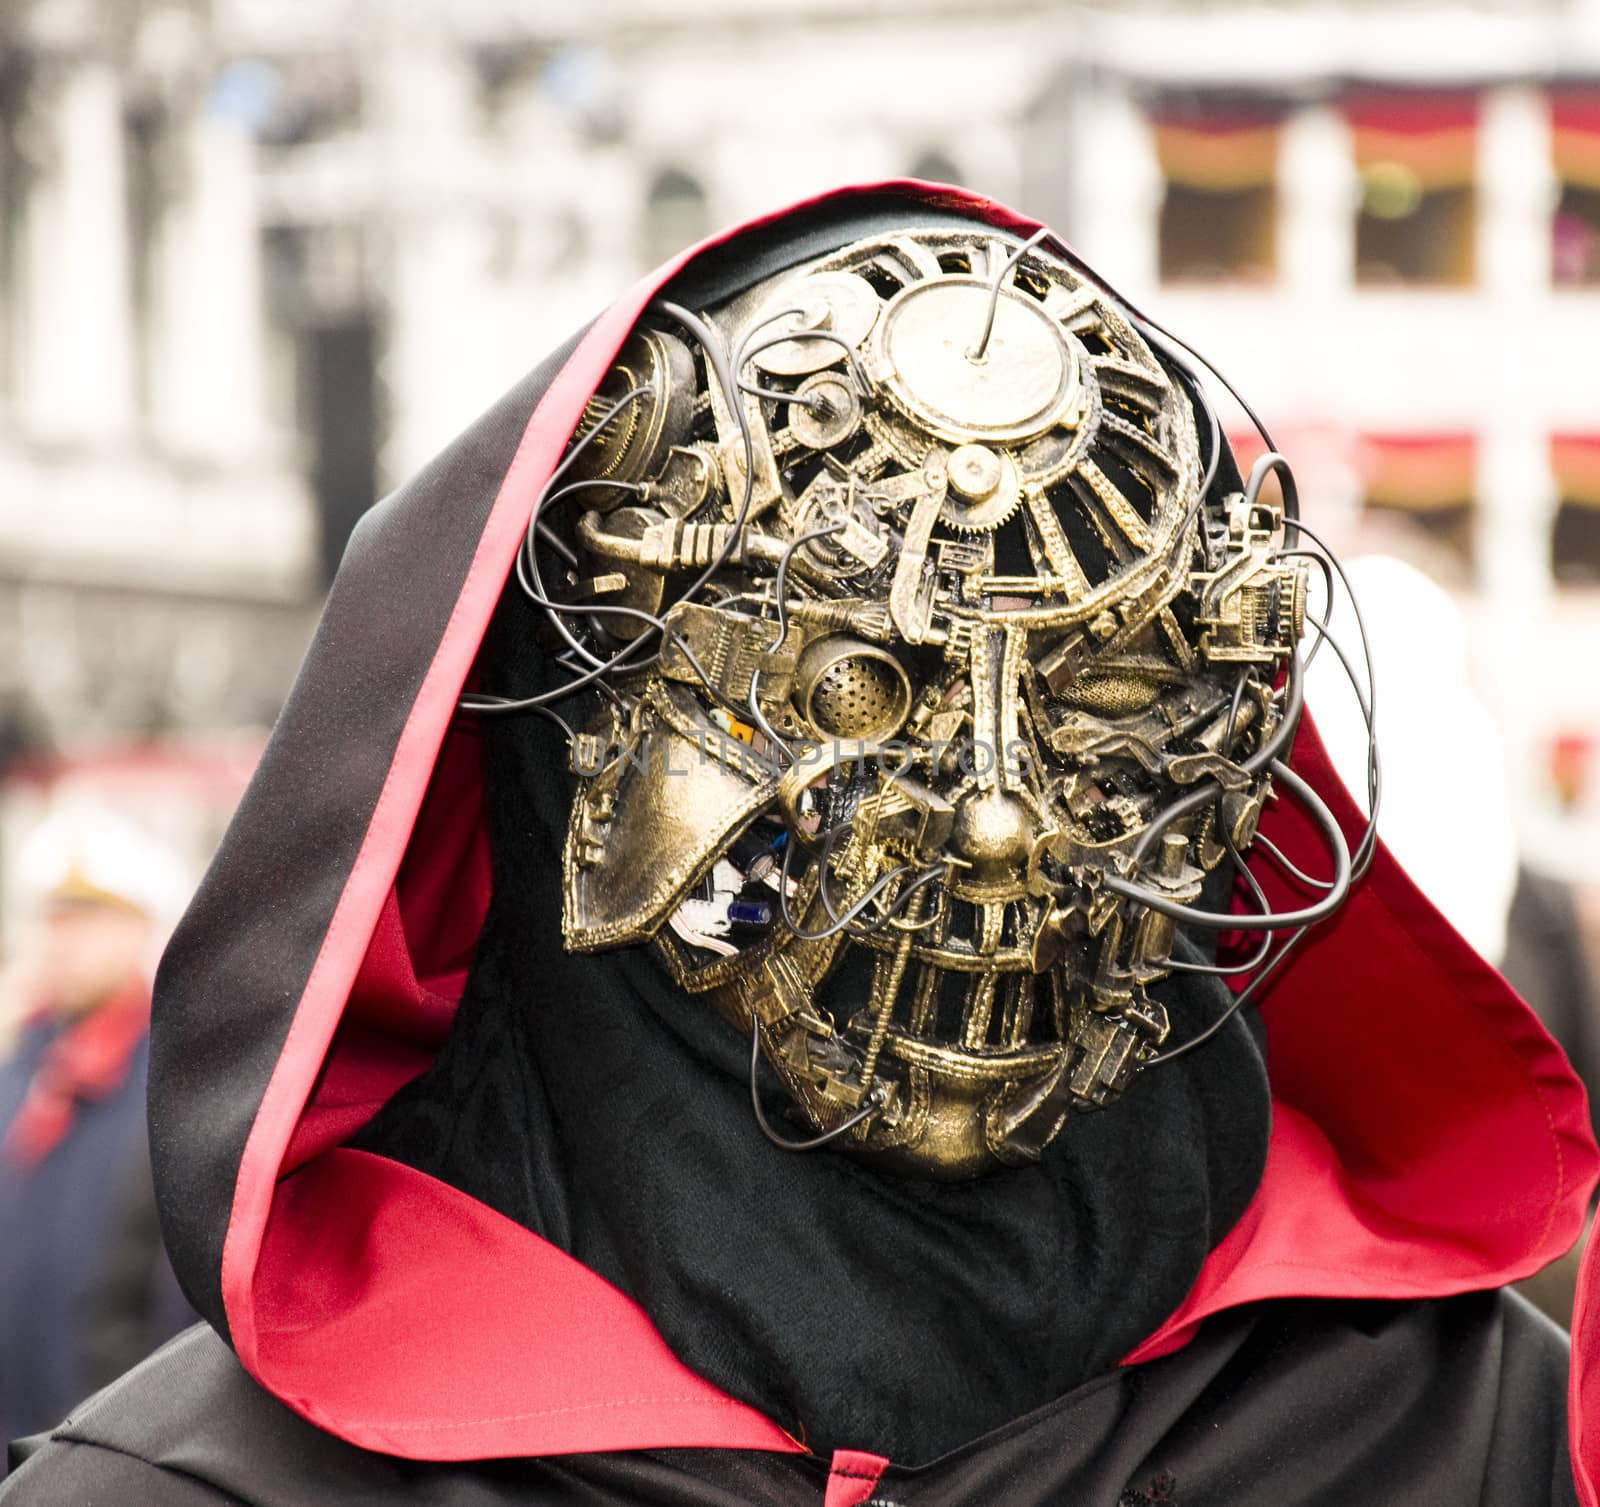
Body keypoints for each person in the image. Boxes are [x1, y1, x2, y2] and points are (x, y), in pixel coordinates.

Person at [5, 181, 1599, 1506]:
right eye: (864, 687)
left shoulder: (1473, 1442)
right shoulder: (191, 1489)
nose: (994, 818)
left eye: (1096, 691)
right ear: (585, 762)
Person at [0, 807, 193, 1459]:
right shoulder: (25, 1063)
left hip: (102, 1449)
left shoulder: (170, 1080)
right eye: (53, 918)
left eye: (86, 919)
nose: (62, 939)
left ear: (138, 926)